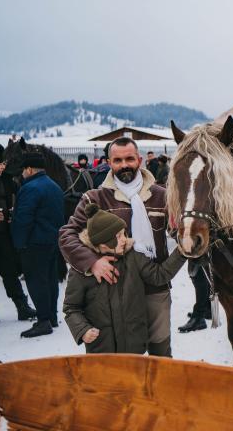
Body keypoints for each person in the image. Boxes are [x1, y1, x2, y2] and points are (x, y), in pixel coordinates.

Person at [59, 137, 174, 356]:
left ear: (139, 160)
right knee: (124, 361)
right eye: (117, 160)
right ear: (109, 162)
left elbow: (178, 229)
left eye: (129, 159)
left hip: (155, 290)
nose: (124, 165)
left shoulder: (162, 196)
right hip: (117, 295)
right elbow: (67, 235)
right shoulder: (95, 198)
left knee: (161, 355)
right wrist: (92, 262)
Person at [63, 204, 185, 353]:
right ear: (103, 243)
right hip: (102, 351)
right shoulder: (82, 270)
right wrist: (82, 330)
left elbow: (159, 276)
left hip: (134, 347)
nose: (124, 240)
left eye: (124, 234)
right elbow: (71, 308)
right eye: (118, 236)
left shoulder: (134, 257)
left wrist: (182, 252)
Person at [11, 152, 65, 338]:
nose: (22, 174)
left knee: (36, 282)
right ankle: (52, 316)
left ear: (29, 169)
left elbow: (23, 218)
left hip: (34, 243)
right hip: (51, 241)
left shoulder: (30, 188)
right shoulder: (54, 186)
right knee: (50, 279)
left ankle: (43, 321)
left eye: (23, 170)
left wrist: (19, 243)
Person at [0, 141, 37, 327]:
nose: (3, 166)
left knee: (10, 272)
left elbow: (20, 200)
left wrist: (12, 214)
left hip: (2, 236)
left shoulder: (6, 180)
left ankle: (22, 307)